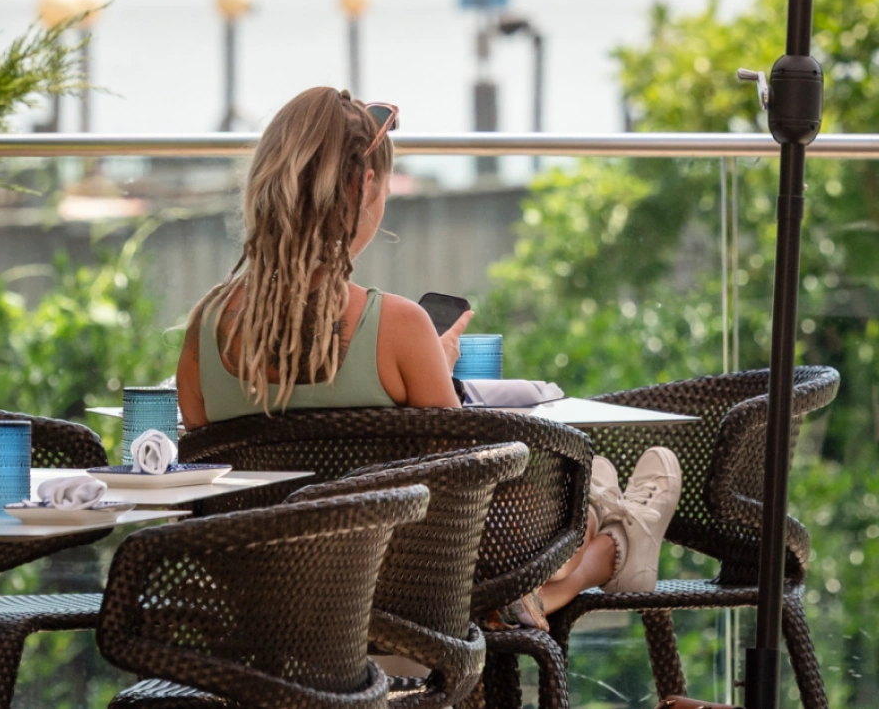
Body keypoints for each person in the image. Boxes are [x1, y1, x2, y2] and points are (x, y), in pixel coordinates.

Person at [177, 85, 679, 626]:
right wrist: (427, 363)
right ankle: (616, 539)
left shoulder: (205, 329)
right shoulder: (398, 327)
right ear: (364, 183)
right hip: (406, 608)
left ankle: (613, 534)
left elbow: (206, 490)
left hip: (258, 617)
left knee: (570, 495)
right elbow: (462, 498)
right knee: (569, 495)